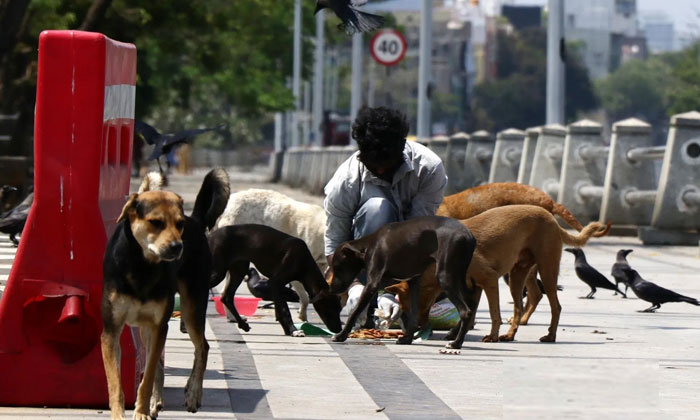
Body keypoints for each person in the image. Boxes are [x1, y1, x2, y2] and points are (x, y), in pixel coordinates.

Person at [323, 106, 447, 325]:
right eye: (374, 165)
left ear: (402, 148)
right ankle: (364, 299)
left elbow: (417, 236)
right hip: (363, 260)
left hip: (410, 257)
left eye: (387, 164)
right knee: (377, 208)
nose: (380, 171)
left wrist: (398, 292)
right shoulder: (346, 180)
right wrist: (353, 288)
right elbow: (335, 245)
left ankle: (394, 300)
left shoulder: (428, 168)